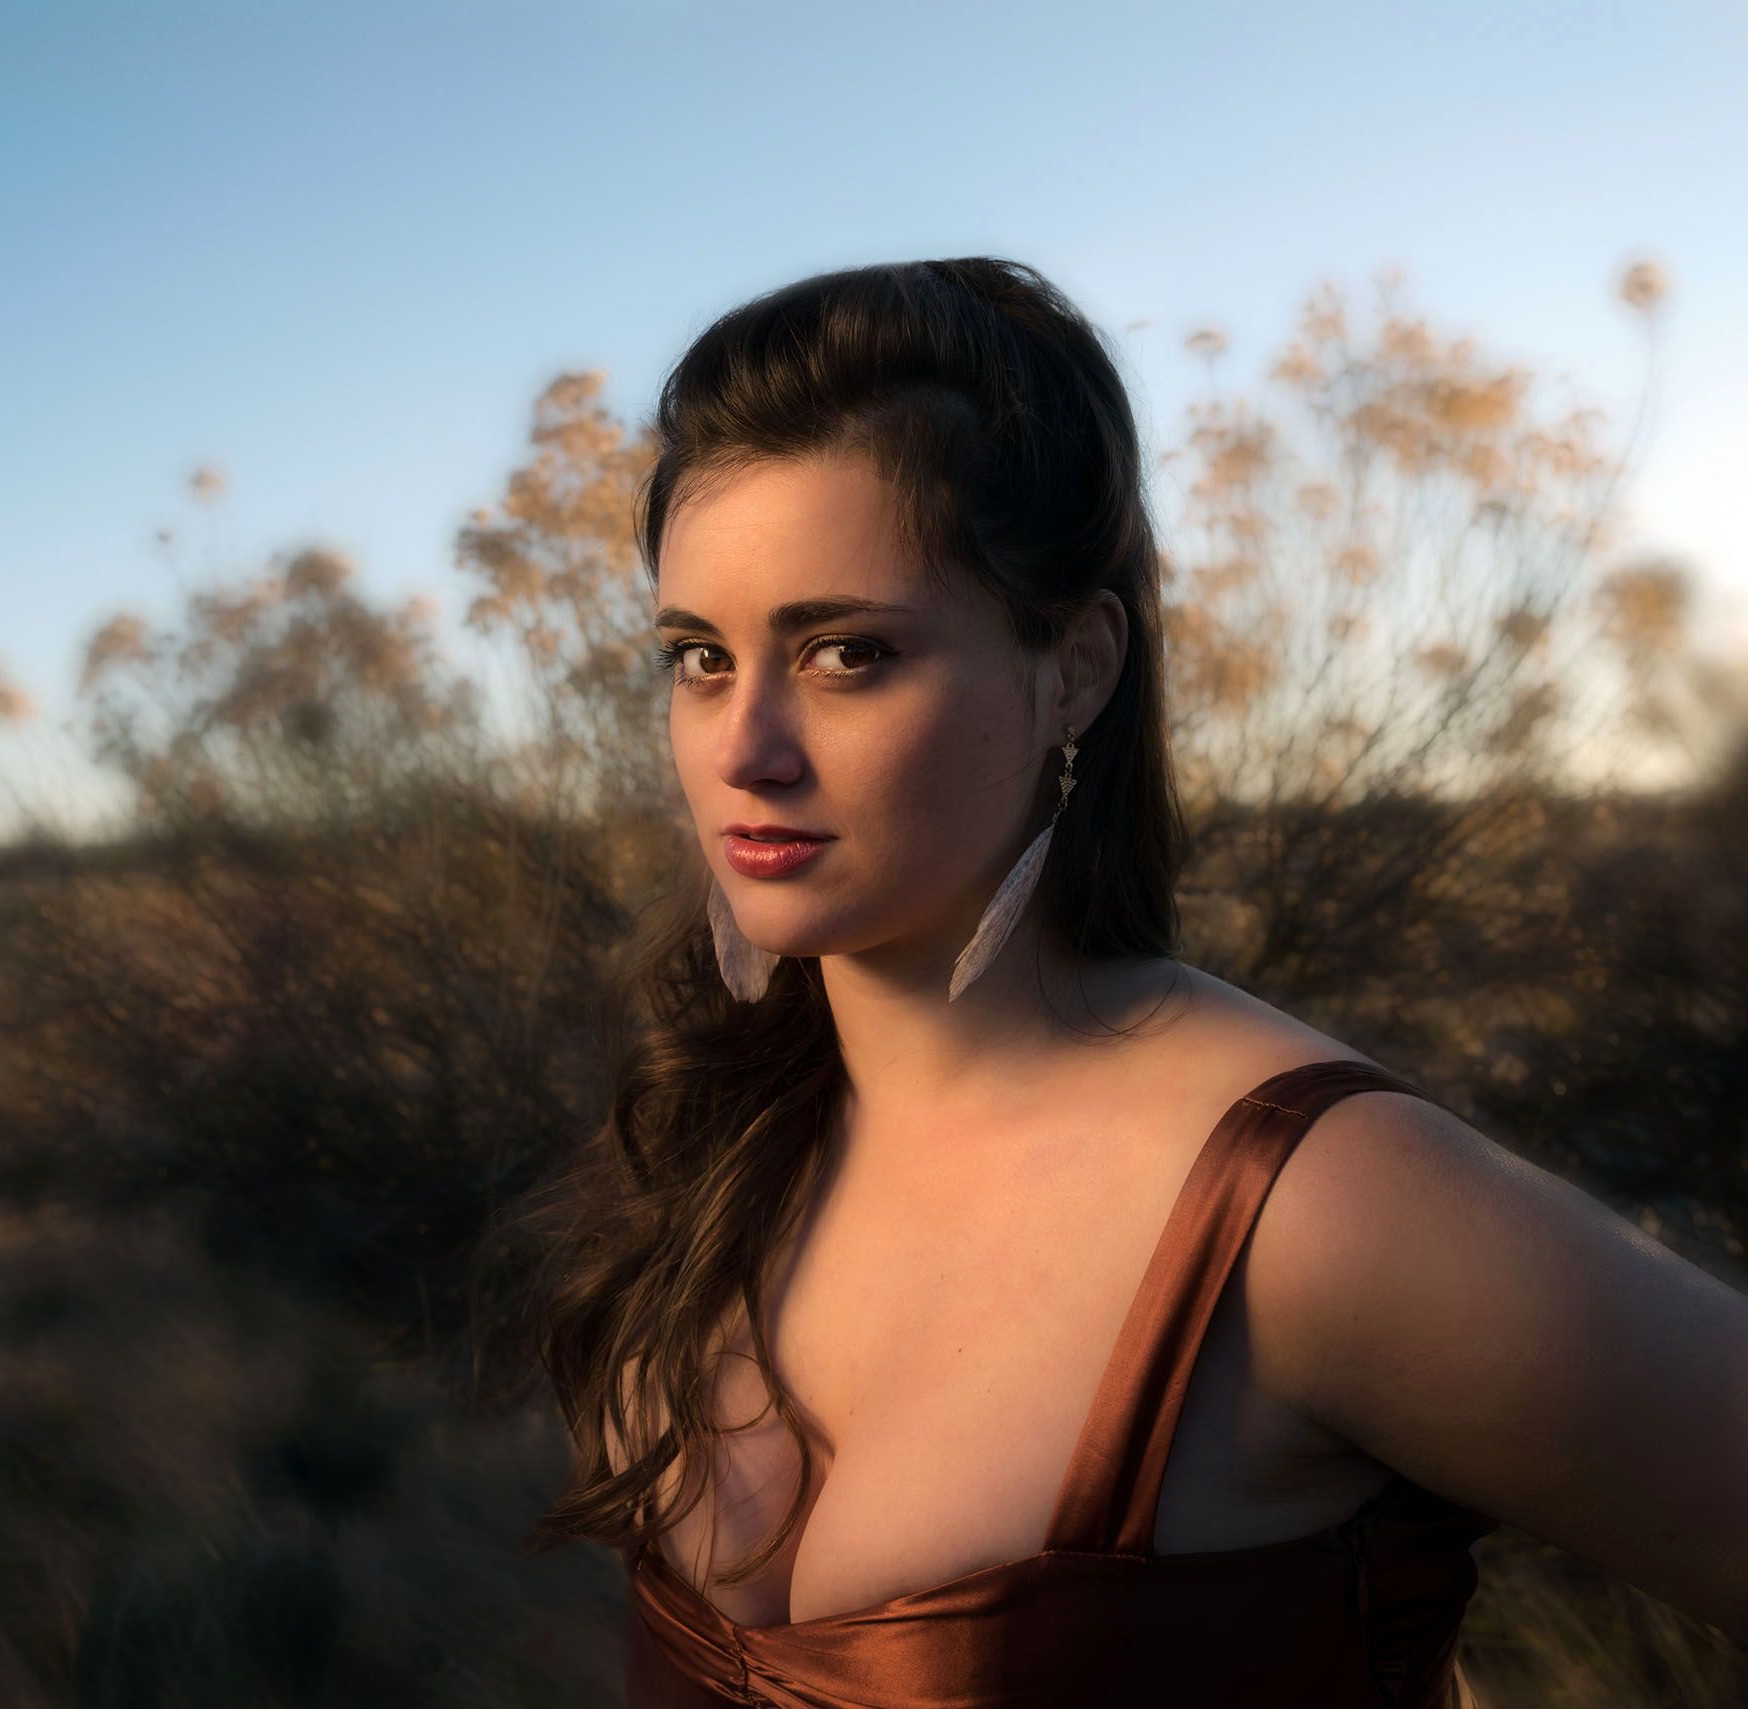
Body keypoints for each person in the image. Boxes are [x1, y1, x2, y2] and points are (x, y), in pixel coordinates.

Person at [515, 259, 1748, 1707]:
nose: (746, 747)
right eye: (700, 658)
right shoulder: (729, 1136)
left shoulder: (1312, 1207)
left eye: (849, 652)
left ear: (1076, 668)